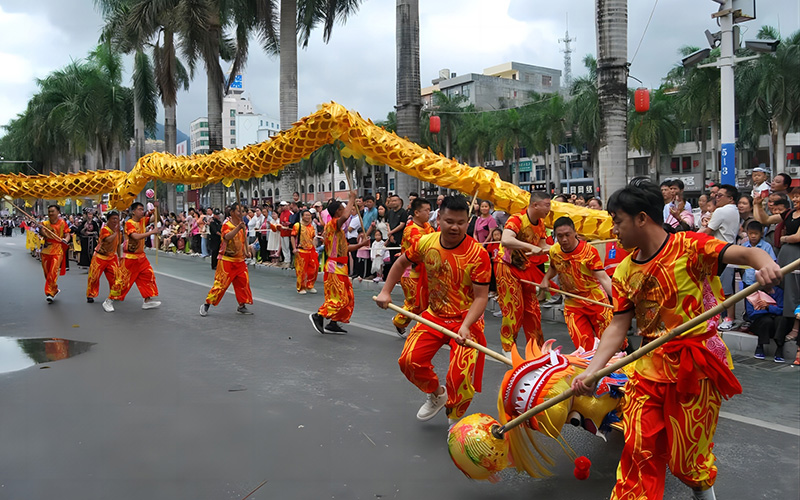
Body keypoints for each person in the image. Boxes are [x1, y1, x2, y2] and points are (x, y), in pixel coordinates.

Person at [571, 178, 781, 500]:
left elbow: (747, 254)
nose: (615, 230)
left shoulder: (690, 246)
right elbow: (618, 326)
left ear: (642, 218)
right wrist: (592, 370)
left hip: (695, 367)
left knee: (687, 463)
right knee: (639, 448)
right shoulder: (625, 271)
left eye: (619, 221)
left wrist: (766, 264)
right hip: (648, 368)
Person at [375, 195, 491, 427]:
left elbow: (481, 297)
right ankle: (437, 394)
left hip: (465, 320)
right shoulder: (427, 242)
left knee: (459, 375)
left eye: (461, 222)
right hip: (434, 315)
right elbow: (400, 263)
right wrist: (386, 291)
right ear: (440, 219)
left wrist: (467, 326)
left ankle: (455, 420)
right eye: (449, 221)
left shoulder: (478, 254)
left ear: (468, 221)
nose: (455, 227)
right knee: (409, 361)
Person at [539, 217, 613, 351]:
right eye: (560, 236)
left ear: (575, 233)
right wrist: (545, 279)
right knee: (582, 345)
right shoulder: (555, 251)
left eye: (567, 235)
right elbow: (554, 268)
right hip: (572, 302)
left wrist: (618, 299)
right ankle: (591, 370)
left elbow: (603, 277)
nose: (564, 239)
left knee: (610, 343)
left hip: (595, 299)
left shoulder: (589, 252)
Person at [495, 191, 551, 353]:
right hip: (506, 267)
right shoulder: (517, 219)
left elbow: (542, 246)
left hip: (524, 268)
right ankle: (507, 348)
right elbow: (506, 239)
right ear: (535, 205)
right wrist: (530, 247)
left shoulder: (540, 224)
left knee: (533, 309)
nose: (549, 209)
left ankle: (536, 350)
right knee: (513, 309)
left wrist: (559, 249)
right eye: (547, 205)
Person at [309, 191, 369, 334]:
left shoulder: (338, 231)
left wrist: (361, 244)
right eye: (343, 209)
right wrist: (351, 199)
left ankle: (333, 322)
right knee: (339, 298)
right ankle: (319, 315)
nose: (345, 212)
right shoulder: (333, 224)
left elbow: (345, 248)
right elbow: (346, 216)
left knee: (347, 298)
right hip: (334, 266)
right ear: (338, 211)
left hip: (341, 266)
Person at [753, 187, 800, 362]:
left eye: (798, 197)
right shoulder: (788, 214)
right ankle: (787, 328)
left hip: (797, 256)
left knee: (795, 294)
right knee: (785, 290)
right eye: (793, 196)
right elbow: (764, 220)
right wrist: (757, 205)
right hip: (786, 255)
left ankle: (794, 330)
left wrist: (784, 239)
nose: (795, 199)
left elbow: (797, 237)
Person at [103, 202, 161, 312]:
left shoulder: (143, 221)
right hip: (130, 257)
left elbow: (155, 218)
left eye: (142, 209)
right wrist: (151, 232)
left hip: (141, 257)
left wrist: (156, 208)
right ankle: (109, 300)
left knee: (148, 276)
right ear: (133, 211)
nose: (141, 211)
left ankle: (147, 300)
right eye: (139, 209)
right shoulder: (129, 223)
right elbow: (135, 236)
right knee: (123, 282)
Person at [200, 202, 254, 316]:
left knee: (243, 283)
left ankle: (242, 305)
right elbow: (227, 237)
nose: (241, 213)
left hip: (240, 261)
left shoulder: (243, 225)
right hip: (226, 260)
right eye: (239, 211)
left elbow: (244, 240)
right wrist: (238, 227)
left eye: (243, 211)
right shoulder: (227, 225)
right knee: (221, 285)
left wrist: (246, 251)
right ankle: (206, 304)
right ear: (232, 212)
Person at [699, 184, 740, 330]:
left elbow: (708, 231)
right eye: (716, 195)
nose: (717, 198)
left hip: (719, 252)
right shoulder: (734, 210)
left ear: (731, 198)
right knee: (724, 289)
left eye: (720, 195)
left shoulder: (722, 211)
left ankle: (728, 318)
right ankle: (725, 318)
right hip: (728, 250)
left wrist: (687, 238)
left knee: (724, 290)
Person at [392, 197, 434, 337]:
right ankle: (399, 321)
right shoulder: (411, 230)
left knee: (426, 302)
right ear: (417, 212)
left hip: (425, 271)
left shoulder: (427, 227)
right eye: (426, 210)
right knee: (415, 304)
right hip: (411, 272)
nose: (429, 213)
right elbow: (421, 246)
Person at [86, 211, 122, 304]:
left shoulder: (118, 232)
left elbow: (117, 245)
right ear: (108, 219)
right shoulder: (104, 230)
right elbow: (108, 240)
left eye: (117, 219)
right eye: (113, 218)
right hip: (100, 256)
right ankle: (90, 294)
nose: (115, 220)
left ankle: (114, 294)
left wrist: (120, 257)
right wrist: (116, 232)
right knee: (94, 277)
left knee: (115, 277)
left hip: (112, 257)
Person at [37, 205, 70, 303]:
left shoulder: (63, 223)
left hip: (57, 250)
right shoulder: (44, 223)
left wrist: (65, 240)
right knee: (47, 274)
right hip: (46, 250)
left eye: (52, 211)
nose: (50, 213)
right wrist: (40, 229)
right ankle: (54, 289)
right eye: (49, 211)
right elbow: (42, 233)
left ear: (58, 212)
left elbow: (67, 234)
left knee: (53, 272)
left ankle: (49, 293)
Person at [291, 209, 319, 294]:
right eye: (306, 215)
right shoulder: (297, 225)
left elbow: (313, 238)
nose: (307, 217)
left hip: (311, 250)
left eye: (309, 215)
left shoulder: (311, 227)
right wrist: (294, 248)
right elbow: (292, 236)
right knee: (301, 270)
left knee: (314, 268)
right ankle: (301, 287)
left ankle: (310, 285)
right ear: (302, 216)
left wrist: (315, 248)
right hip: (301, 250)